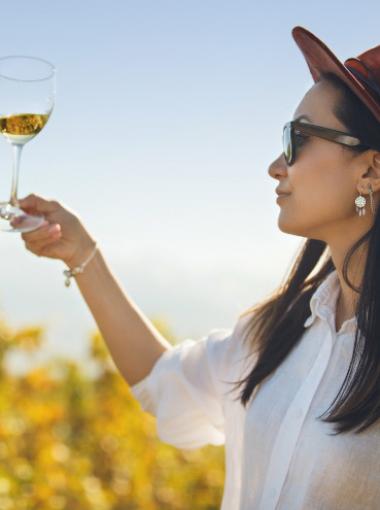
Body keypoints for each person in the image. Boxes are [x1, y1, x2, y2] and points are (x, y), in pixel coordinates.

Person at [18, 26, 380, 509]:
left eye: (297, 138)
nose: (276, 165)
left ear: (371, 171)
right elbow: (163, 382)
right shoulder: (278, 331)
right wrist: (82, 253)